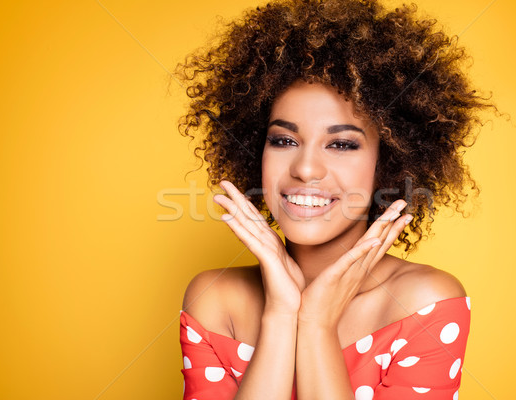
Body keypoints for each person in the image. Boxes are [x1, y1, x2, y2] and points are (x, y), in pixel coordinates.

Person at [174, 0, 497, 398]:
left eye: (342, 144)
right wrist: (281, 314)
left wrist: (316, 326)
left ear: (389, 164)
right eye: (284, 140)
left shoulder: (426, 303)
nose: (306, 168)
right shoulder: (216, 298)